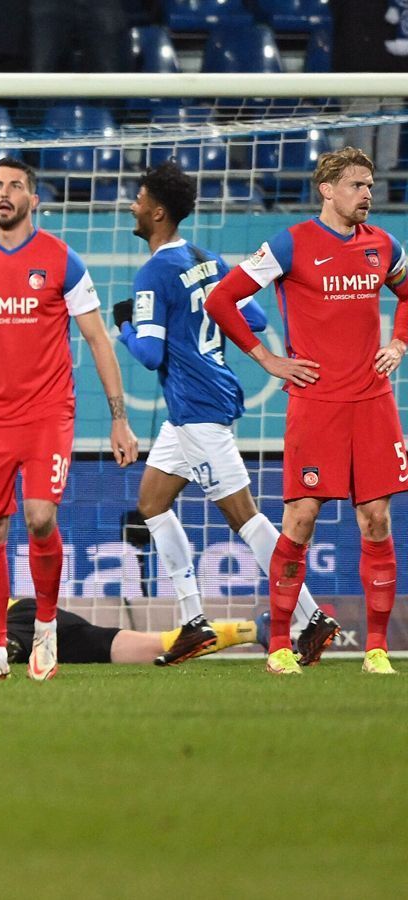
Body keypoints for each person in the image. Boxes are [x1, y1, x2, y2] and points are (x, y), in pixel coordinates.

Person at [0, 157, 139, 683]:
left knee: (40, 517)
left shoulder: (61, 259)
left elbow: (96, 339)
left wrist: (119, 419)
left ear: (33, 199)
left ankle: (44, 628)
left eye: (15, 186)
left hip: (47, 413)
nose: (4, 193)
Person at [116, 161, 341, 668]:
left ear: (156, 213)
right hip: (193, 406)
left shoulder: (153, 271)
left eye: (138, 199)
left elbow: (150, 354)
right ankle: (193, 622)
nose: (132, 205)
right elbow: (254, 315)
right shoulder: (208, 257)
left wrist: (126, 327)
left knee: (246, 518)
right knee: (152, 502)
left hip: (197, 405)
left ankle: (312, 616)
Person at [204, 147, 408, 677]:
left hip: (373, 402)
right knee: (301, 517)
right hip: (316, 402)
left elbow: (407, 293)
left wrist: (399, 342)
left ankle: (378, 650)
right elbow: (222, 299)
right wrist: (268, 358)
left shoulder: (383, 245)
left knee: (377, 519)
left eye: (370, 185)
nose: (368, 194)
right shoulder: (290, 243)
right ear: (328, 189)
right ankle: (278, 645)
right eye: (358, 185)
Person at [0, 587, 259, 667]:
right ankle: (253, 630)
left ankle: (5, 650)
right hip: (53, 625)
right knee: (159, 646)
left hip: (18, 620)